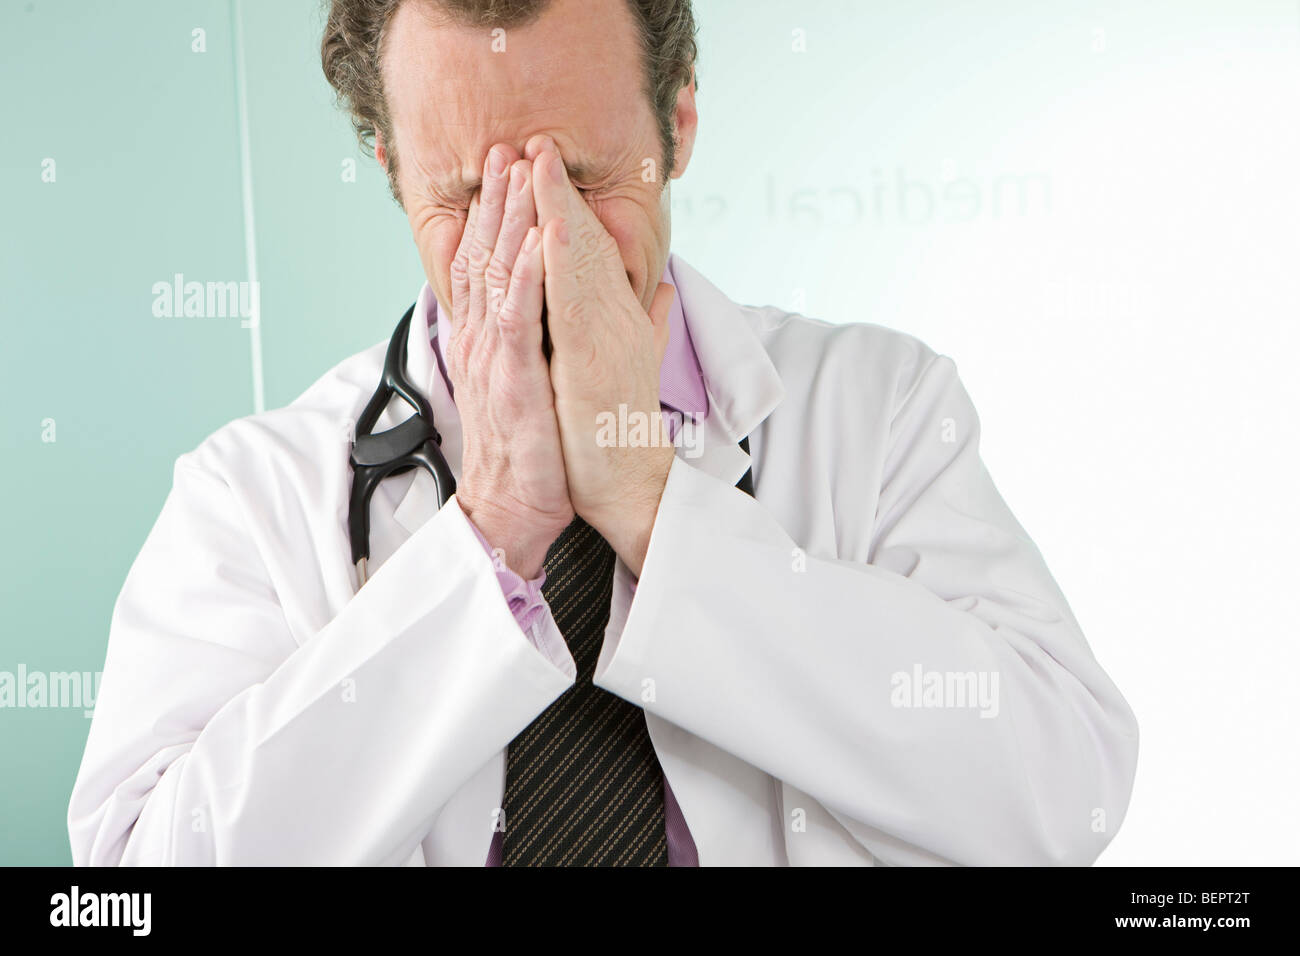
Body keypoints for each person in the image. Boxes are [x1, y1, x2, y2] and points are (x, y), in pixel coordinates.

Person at [67, 0, 1139, 866]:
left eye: (580, 180)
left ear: (677, 125)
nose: (538, 244)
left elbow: (1062, 798)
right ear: (390, 170)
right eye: (462, 197)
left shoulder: (879, 405)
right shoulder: (250, 492)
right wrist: (483, 536)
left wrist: (655, 506)